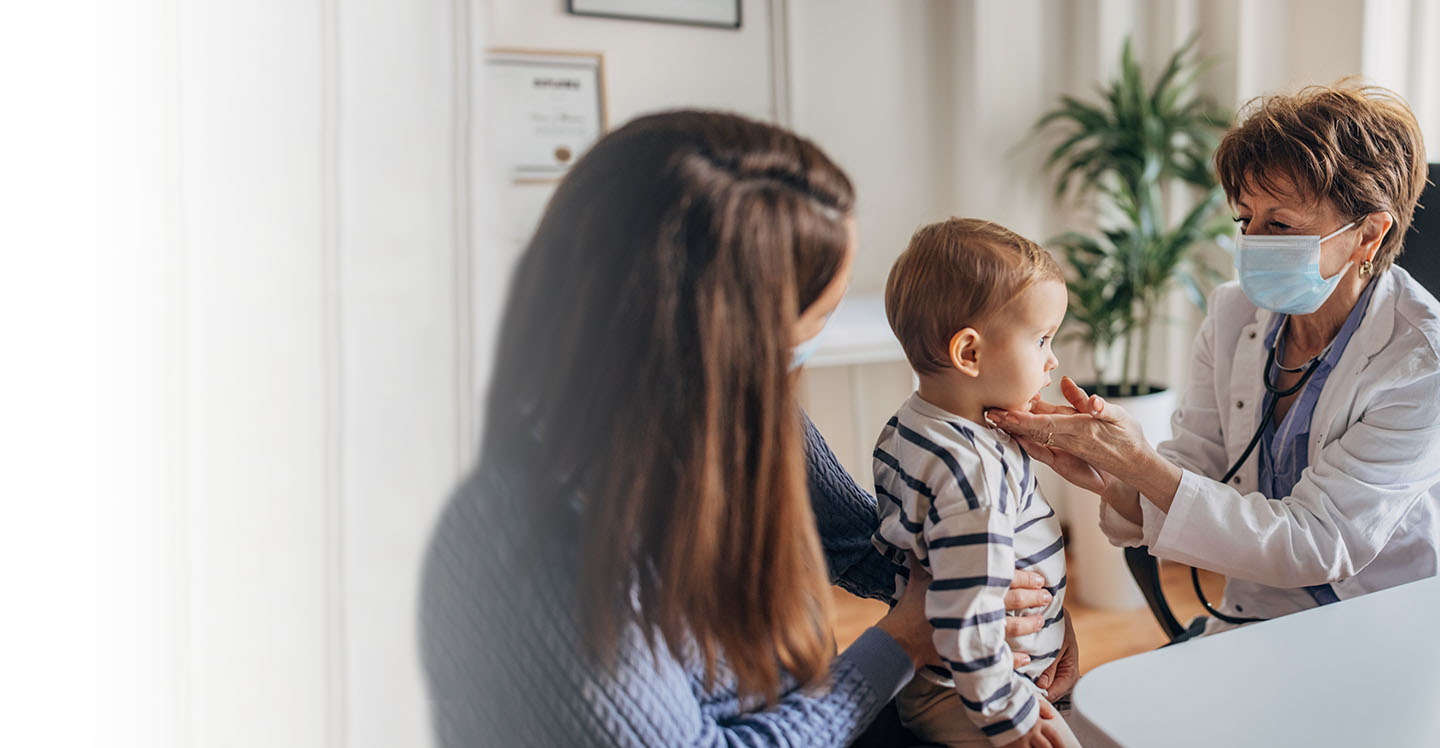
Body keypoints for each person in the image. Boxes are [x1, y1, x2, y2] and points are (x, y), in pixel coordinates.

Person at [420, 110, 1064, 747]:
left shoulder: (734, 409)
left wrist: (1016, 602)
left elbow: (854, 540)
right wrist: (902, 641)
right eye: (813, 322)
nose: (812, 347)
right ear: (719, 332)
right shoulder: (532, 537)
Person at [988, 82, 1439, 637]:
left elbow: (1322, 542)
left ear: (1369, 234)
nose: (1251, 241)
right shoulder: (1233, 314)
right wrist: (1112, 474)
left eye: (1280, 224)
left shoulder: (1422, 361)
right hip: (1251, 617)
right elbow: (1197, 469)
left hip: (1376, 628)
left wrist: (1139, 464)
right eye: (1244, 219)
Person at [871, 219, 1080, 748]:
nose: (1052, 360)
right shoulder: (972, 476)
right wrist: (1011, 720)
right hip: (973, 691)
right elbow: (964, 614)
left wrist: (1055, 617)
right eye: (1040, 339)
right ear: (969, 353)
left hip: (974, 676)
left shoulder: (912, 425)